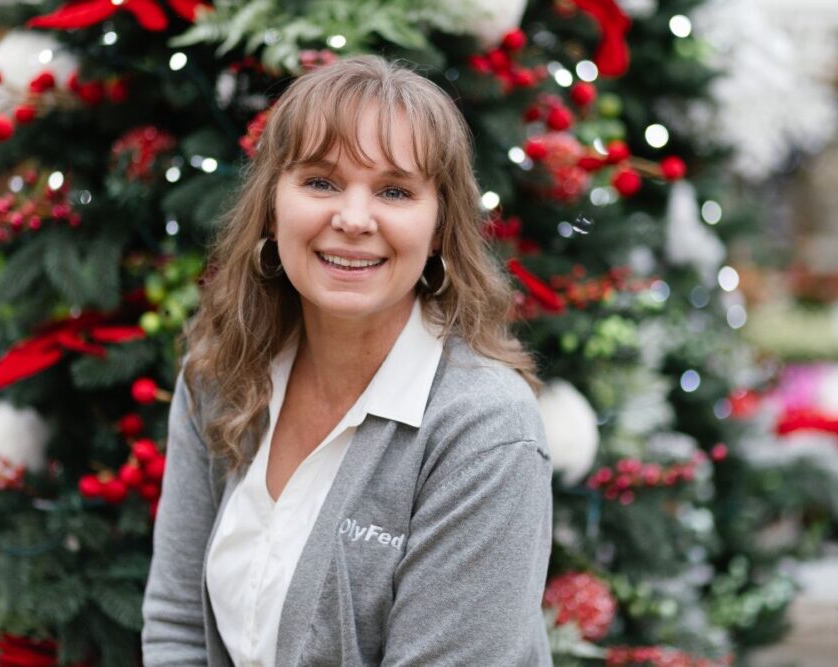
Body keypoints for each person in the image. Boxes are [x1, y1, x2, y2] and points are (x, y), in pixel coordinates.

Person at [142, 55, 554, 666]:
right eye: (321, 182)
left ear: (441, 225)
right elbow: (176, 625)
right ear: (273, 204)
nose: (353, 220)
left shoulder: (486, 430)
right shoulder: (220, 374)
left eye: (394, 190)